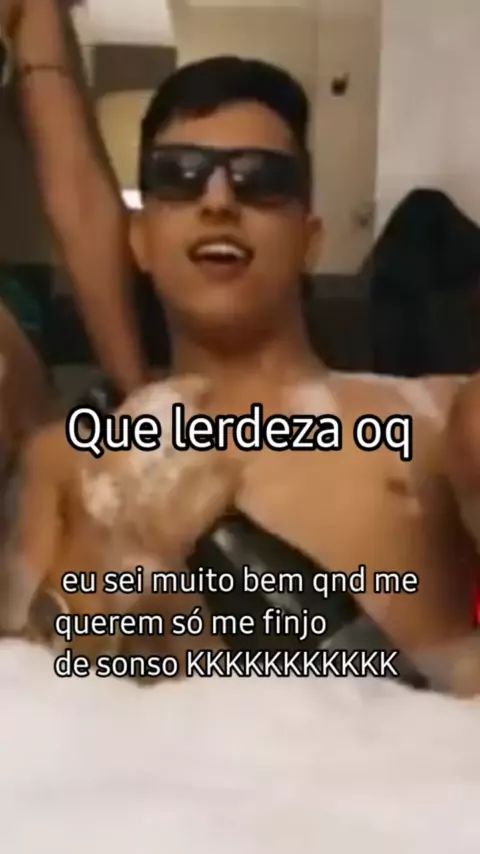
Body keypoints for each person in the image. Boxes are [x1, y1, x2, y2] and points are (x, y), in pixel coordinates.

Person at [3, 0, 480, 695]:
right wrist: (103, 567)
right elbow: (21, 699)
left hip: (408, 751)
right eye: (179, 175)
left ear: (310, 241)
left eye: (263, 179)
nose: (219, 200)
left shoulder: (436, 421)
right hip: (154, 759)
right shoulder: (69, 458)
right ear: (138, 241)